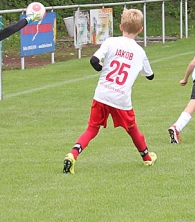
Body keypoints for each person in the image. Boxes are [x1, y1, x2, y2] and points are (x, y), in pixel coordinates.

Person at [63, 9, 156, 173]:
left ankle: (72, 154)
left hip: (102, 93)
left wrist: (100, 67)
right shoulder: (140, 52)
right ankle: (147, 158)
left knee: (92, 129)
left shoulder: (111, 42)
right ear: (140, 29)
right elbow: (150, 76)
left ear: (120, 27)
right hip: (121, 98)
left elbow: (93, 60)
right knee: (132, 129)